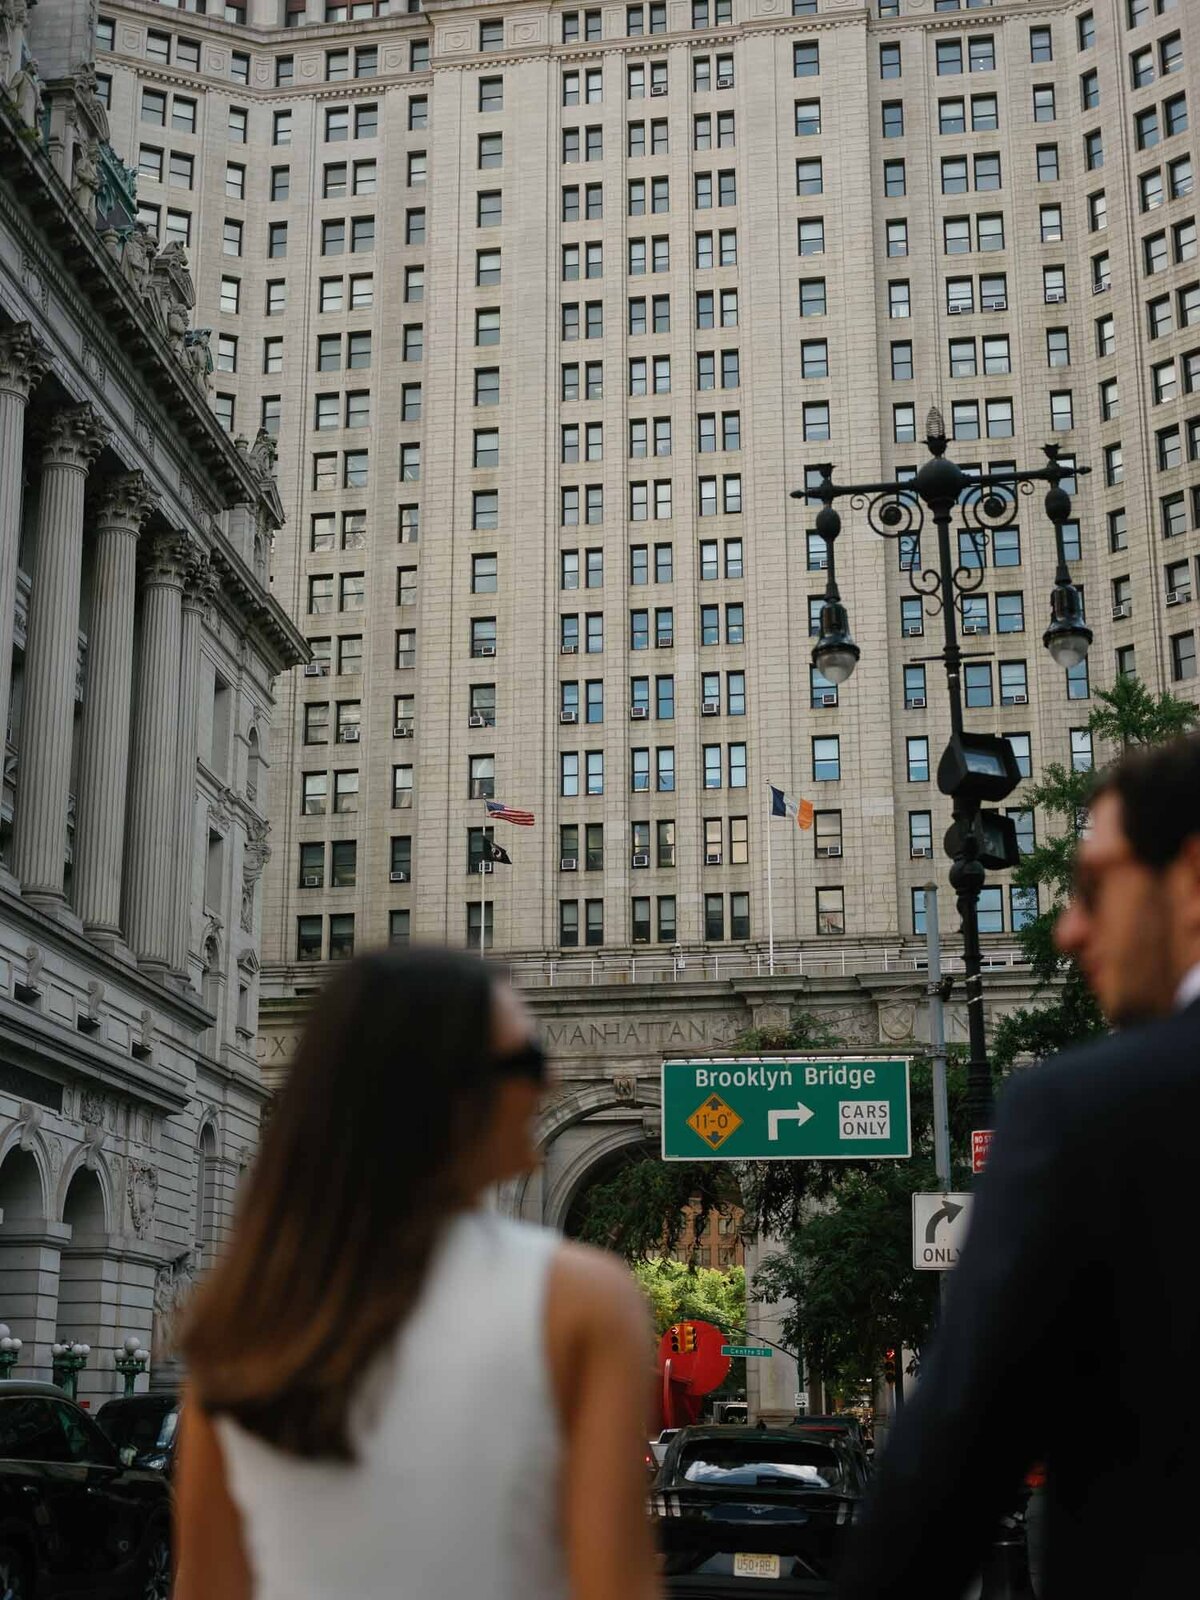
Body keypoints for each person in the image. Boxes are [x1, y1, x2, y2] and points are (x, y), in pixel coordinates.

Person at [173, 947, 660, 1600]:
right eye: (526, 1063)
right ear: (439, 1090)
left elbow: (206, 1587)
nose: (548, 1083)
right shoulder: (582, 1300)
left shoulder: (242, 1318)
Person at [837, 733, 1200, 1599]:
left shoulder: (1093, 1112)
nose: (1069, 929)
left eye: (1093, 886)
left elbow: (956, 1456)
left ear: (1188, 878)